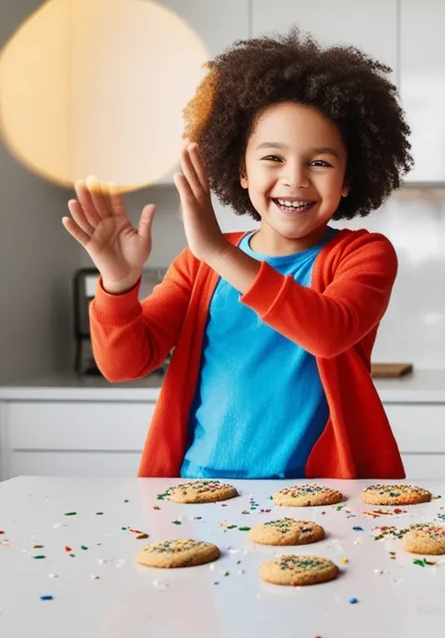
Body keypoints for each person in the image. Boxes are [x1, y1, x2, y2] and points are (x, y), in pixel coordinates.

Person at [63, 30, 412, 479]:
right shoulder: (198, 266)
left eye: (320, 163)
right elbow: (124, 365)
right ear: (241, 170)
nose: (295, 179)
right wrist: (117, 283)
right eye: (273, 158)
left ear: (348, 179)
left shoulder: (362, 253)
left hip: (321, 497)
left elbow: (329, 331)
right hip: (201, 490)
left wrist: (216, 251)